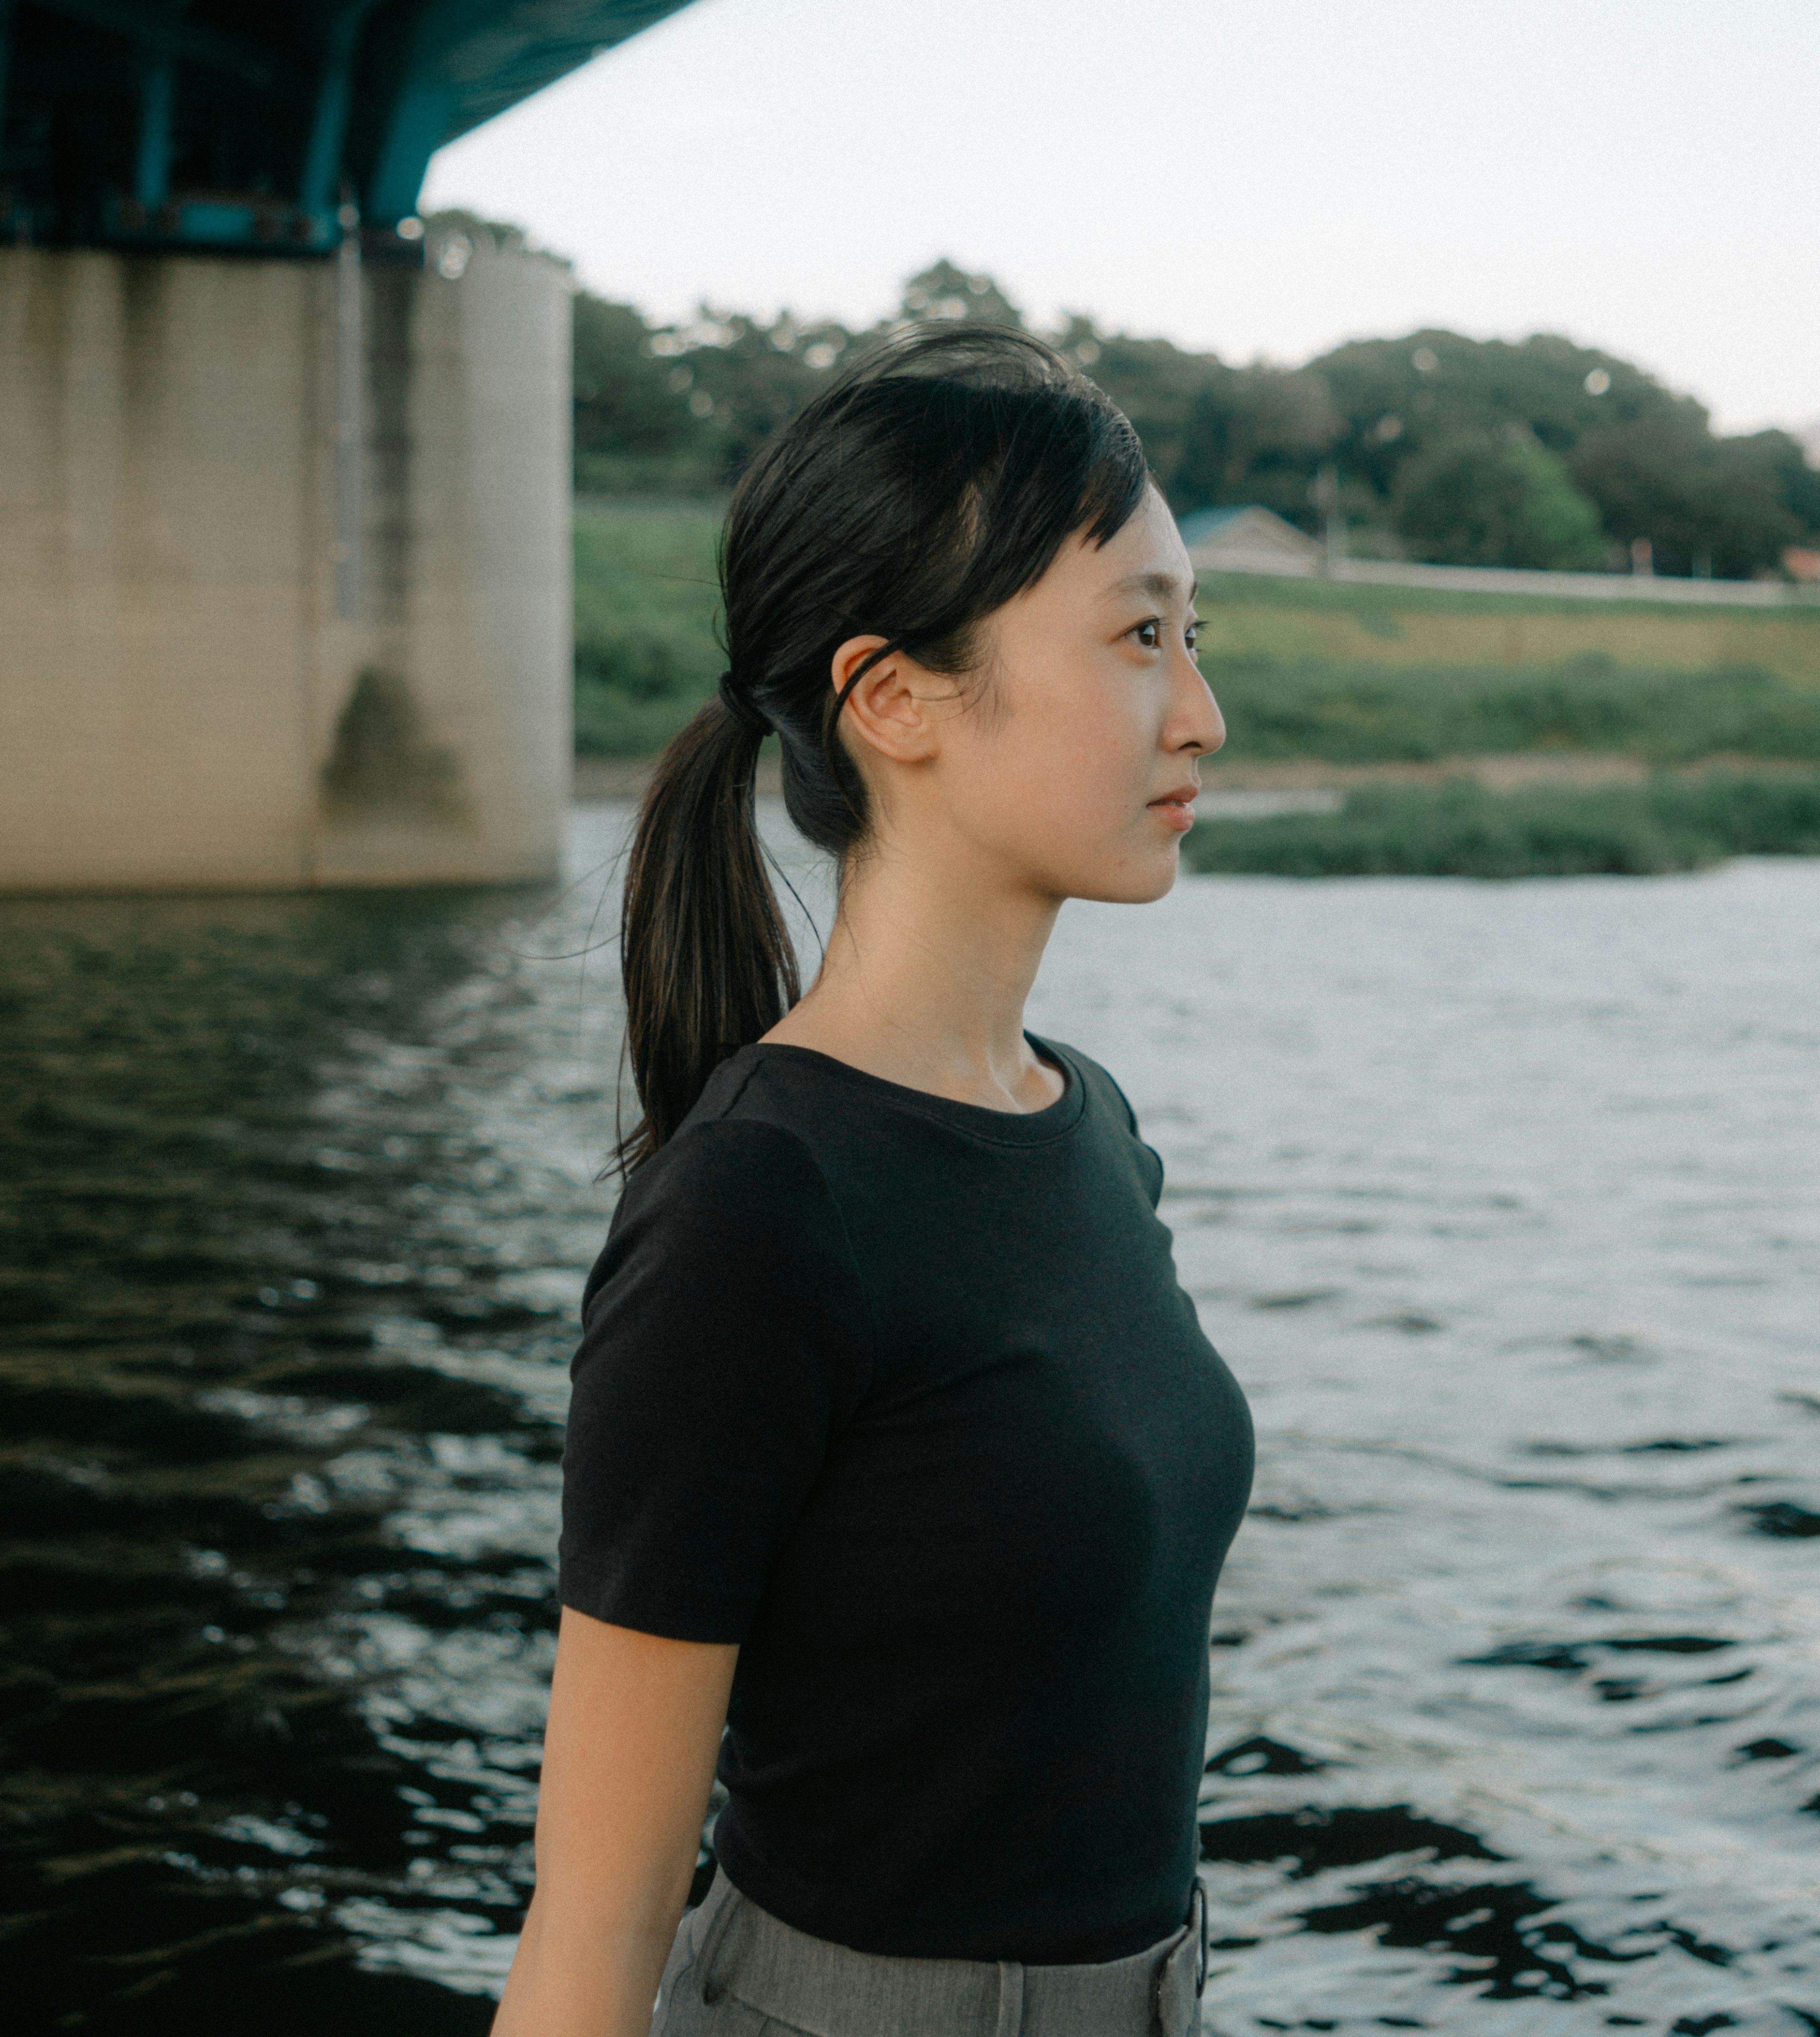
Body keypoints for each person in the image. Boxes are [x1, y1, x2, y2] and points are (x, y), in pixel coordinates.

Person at [492, 327, 1254, 2037]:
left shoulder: (1094, 1130)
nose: (1201, 709)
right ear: (894, 696)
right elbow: (592, 1933)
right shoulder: (759, 1210)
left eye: (1196, 635)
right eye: (1141, 636)